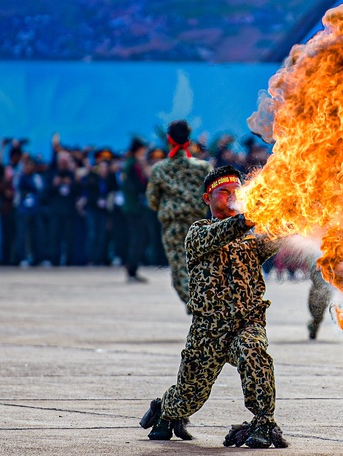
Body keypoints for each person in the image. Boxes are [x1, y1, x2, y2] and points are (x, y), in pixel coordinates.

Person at [140, 165, 288, 449]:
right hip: (208, 330)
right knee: (189, 396)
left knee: (253, 352)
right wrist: (248, 220)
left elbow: (278, 235)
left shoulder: (250, 241)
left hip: (246, 322)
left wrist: (292, 211)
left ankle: (263, 422)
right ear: (208, 197)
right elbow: (225, 232)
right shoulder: (198, 233)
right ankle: (166, 410)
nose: (231, 197)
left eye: (236, 192)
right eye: (224, 193)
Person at [146, 120, 212, 310]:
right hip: (199, 225)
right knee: (201, 268)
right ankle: (207, 304)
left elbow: (152, 199)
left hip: (173, 226)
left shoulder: (160, 169)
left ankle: (199, 307)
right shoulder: (203, 168)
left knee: (180, 272)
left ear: (169, 141)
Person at [120, 138, 150, 282]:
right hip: (135, 207)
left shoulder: (130, 164)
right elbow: (139, 186)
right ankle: (132, 270)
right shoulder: (134, 165)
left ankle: (132, 269)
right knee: (138, 238)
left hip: (133, 206)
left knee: (138, 238)